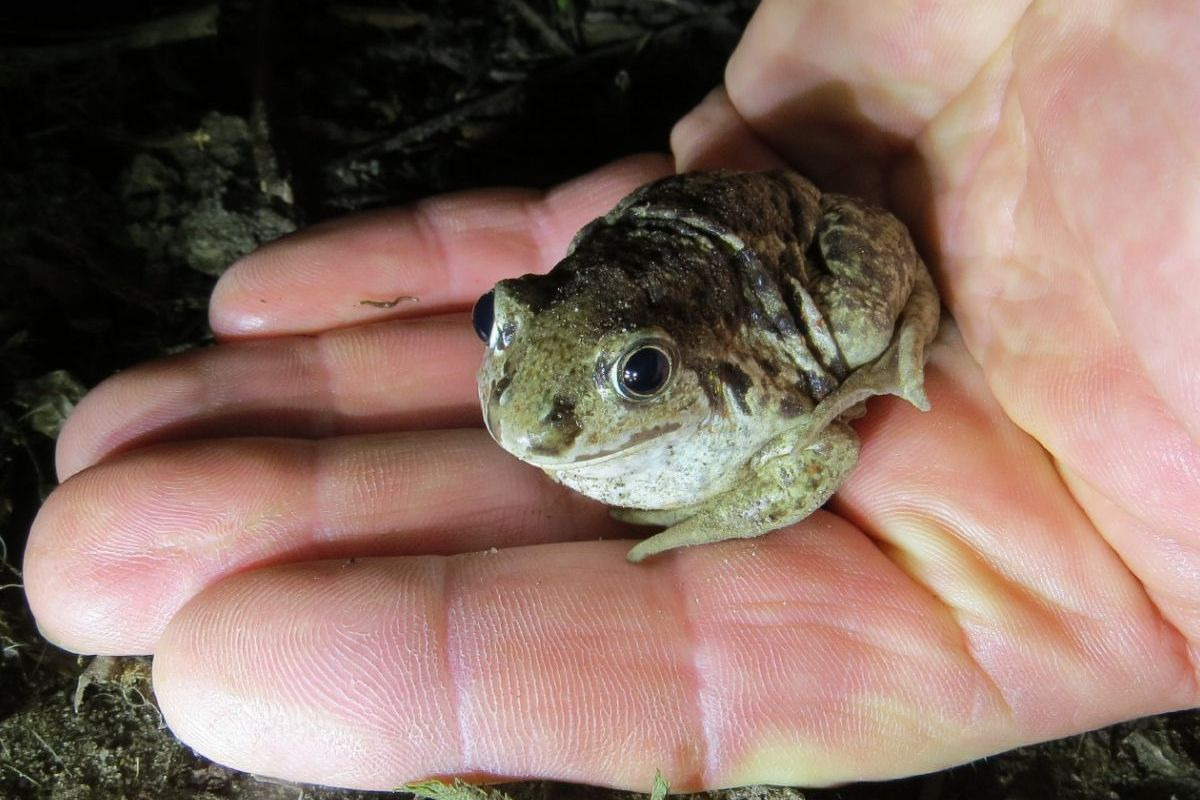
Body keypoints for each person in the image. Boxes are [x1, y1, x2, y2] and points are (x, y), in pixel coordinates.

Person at [22, 0, 1200, 791]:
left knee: (855, 322)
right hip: (669, 238)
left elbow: (819, 452)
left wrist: (711, 512)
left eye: (636, 378)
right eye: (497, 324)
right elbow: (560, 336)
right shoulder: (538, 381)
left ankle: (849, 333)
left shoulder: (737, 383)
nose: (522, 414)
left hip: (778, 250)